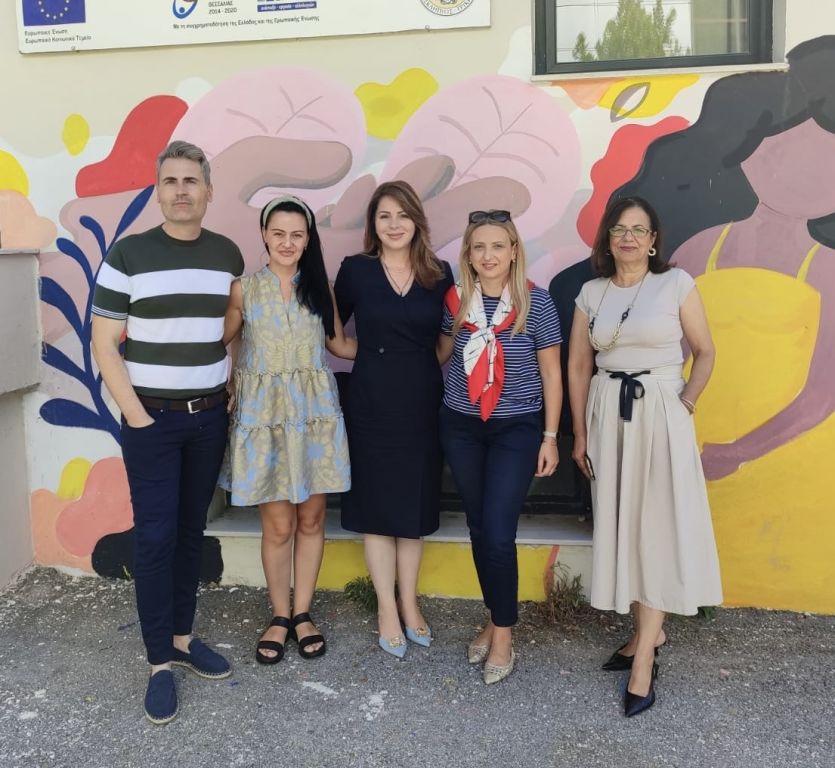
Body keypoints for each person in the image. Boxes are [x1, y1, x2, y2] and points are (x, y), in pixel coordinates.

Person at [91, 140, 244, 725]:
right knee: (154, 538)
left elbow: (233, 319)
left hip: (207, 419)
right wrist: (136, 415)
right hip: (150, 421)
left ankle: (182, 637)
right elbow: (104, 343)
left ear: (208, 191)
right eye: (171, 181)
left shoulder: (226, 254)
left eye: (191, 180)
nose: (181, 190)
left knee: (189, 532)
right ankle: (159, 662)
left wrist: (226, 375)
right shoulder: (128, 254)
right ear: (158, 191)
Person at [567, 196, 722, 717]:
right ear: (607, 240)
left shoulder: (676, 283)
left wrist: (685, 403)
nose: (629, 238)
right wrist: (580, 434)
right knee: (624, 525)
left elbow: (705, 351)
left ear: (654, 240)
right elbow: (578, 365)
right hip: (608, 413)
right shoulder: (591, 293)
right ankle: (646, 635)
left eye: (639, 229)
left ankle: (644, 662)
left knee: (654, 528)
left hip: (660, 411)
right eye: (619, 229)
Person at [219, 195, 355, 665]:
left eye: (297, 235)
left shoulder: (321, 288)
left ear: (308, 239)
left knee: (312, 520)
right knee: (278, 525)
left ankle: (302, 613)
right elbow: (221, 341)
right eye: (278, 233)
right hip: (265, 419)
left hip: (314, 416)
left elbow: (340, 345)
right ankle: (279, 614)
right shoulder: (243, 290)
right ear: (264, 234)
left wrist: (403, 349)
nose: (287, 242)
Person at [437, 210, 562, 684]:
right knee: (477, 526)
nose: (488, 255)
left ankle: (504, 634)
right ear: (468, 255)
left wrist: (550, 436)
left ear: (513, 251)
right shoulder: (456, 301)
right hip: (462, 426)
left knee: (497, 532)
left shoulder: (536, 302)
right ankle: (495, 618)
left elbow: (551, 373)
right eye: (478, 247)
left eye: (497, 246)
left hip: (516, 429)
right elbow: (441, 355)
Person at [333, 180, 453, 658]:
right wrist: (372, 356)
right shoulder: (356, 270)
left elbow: (446, 341)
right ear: (373, 224)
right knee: (378, 507)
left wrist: (412, 363)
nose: (394, 224)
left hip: (421, 399)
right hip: (370, 399)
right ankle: (386, 607)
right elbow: (333, 334)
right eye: (384, 216)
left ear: (416, 221)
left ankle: (410, 602)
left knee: (412, 508)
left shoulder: (438, 274)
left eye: (402, 215)